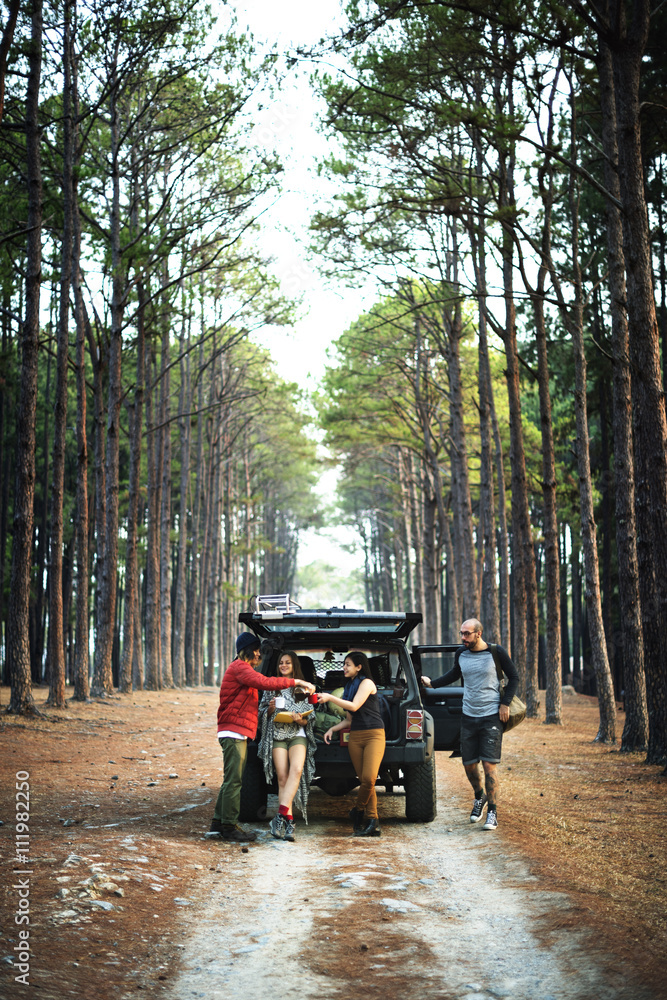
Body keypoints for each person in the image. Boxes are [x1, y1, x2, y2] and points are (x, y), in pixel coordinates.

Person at [209, 633, 315, 843]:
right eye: (256, 650)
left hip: (236, 731)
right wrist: (297, 681)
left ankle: (219, 822)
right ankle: (229, 826)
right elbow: (264, 682)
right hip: (233, 731)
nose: (259, 654)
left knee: (230, 779)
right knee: (234, 781)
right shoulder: (241, 667)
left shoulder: (242, 669)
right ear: (248, 649)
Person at [422, 618, 519, 831]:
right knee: (469, 764)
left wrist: (505, 704)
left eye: (467, 633)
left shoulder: (496, 652)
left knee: (489, 764)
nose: (463, 638)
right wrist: (432, 684)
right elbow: (455, 674)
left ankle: (492, 812)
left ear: (478, 633)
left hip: (491, 716)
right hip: (468, 715)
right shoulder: (461, 653)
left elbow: (514, 678)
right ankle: (479, 797)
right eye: (461, 633)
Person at [317, 651, 385, 837]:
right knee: (364, 780)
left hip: (374, 735)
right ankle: (373, 821)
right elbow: (349, 719)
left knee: (370, 778)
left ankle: (357, 810)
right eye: (344, 664)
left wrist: (330, 697)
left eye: (348, 664)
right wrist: (333, 729)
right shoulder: (348, 686)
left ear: (359, 667)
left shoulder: (367, 683)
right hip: (355, 737)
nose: (344, 667)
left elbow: (354, 706)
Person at [258, 651, 317, 842]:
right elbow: (261, 714)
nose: (284, 665)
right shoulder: (271, 686)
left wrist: (301, 721)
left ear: (294, 666)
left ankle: (280, 815)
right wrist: (271, 709)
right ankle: (289, 822)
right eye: (281, 663)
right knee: (282, 778)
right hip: (277, 735)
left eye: (288, 663)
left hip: (297, 734)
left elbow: (311, 718)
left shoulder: (303, 687)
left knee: (297, 770)